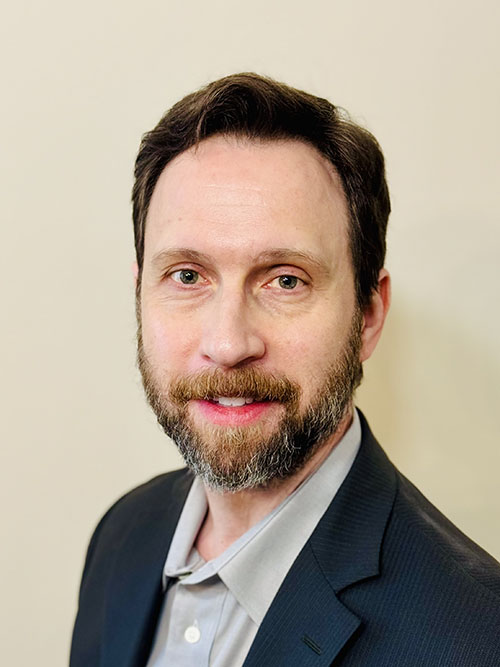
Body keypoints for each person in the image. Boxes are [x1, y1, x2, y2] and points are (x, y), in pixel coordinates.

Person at [70, 73, 500, 667]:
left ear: (369, 315)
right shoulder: (122, 536)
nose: (227, 344)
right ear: (140, 292)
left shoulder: (477, 639)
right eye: (188, 276)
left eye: (285, 280)